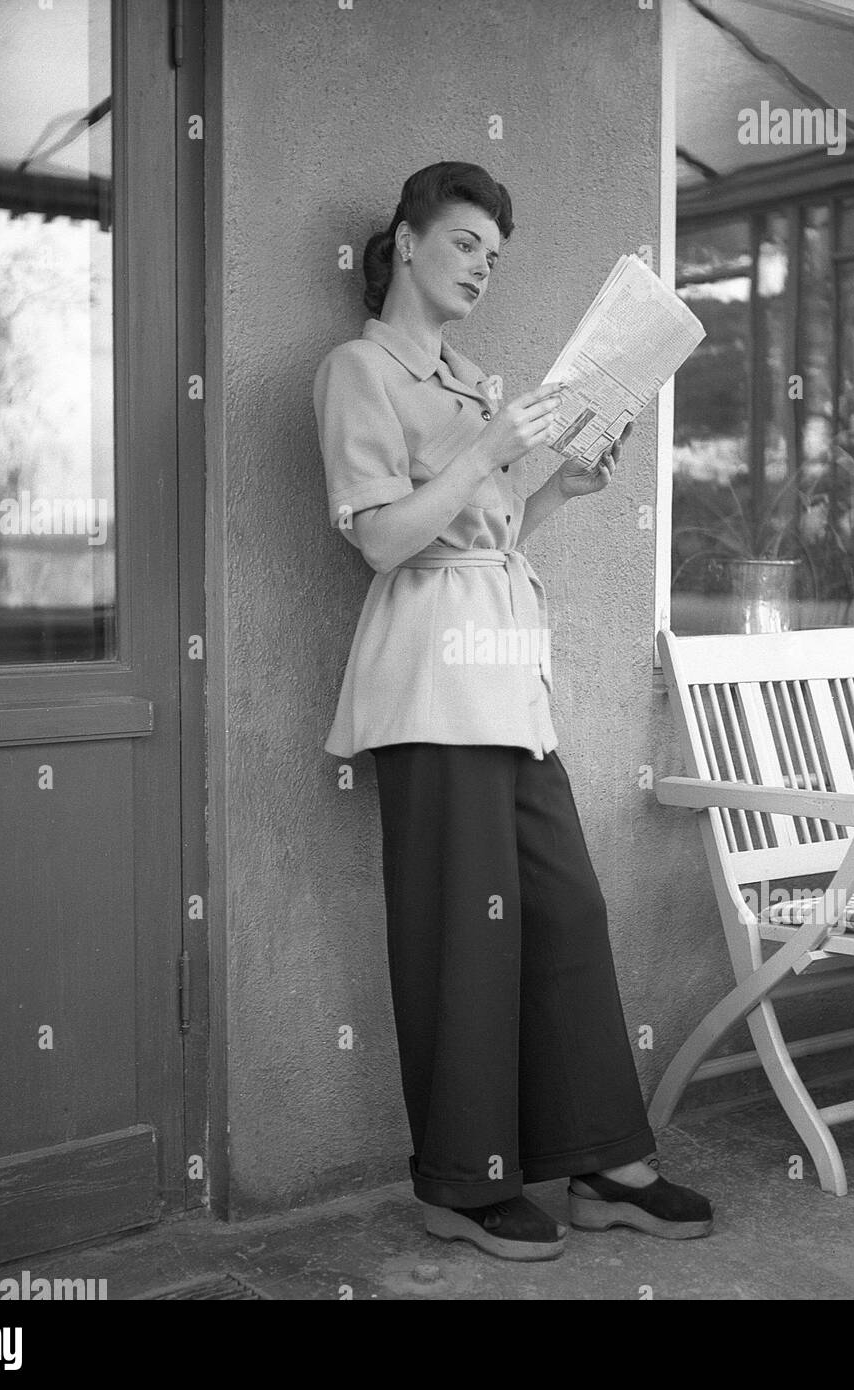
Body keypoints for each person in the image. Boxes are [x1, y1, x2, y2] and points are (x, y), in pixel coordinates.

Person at [314, 160, 713, 1261]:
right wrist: (491, 452)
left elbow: (491, 540)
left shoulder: (478, 383)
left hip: (505, 687)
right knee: (463, 945)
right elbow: (383, 542)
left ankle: (604, 1163)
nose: (484, 265)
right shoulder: (358, 371)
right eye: (465, 243)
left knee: (568, 912)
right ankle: (461, 1184)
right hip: (432, 689)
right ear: (404, 241)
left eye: (496, 252)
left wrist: (557, 490)